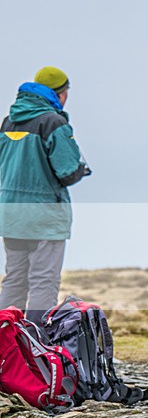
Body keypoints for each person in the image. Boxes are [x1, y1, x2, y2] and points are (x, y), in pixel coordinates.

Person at [0, 66, 89, 326]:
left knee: (15, 278)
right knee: (43, 279)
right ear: (60, 93)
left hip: (11, 214)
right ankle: (37, 342)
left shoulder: (9, 120)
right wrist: (81, 169)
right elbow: (67, 171)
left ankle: (5, 342)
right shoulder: (53, 122)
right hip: (45, 215)